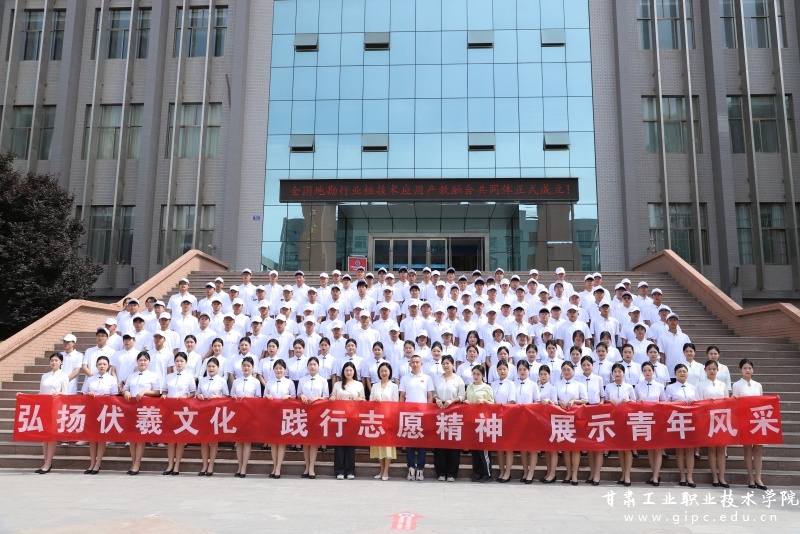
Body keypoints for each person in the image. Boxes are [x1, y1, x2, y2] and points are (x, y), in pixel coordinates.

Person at [122, 352, 162, 475]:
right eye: (140, 360)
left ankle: (137, 463)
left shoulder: (153, 376)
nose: (142, 362)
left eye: (145, 360)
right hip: (131, 409)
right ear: (137, 362)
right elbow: (125, 388)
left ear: (149, 362)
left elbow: (157, 392)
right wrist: (125, 392)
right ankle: (133, 462)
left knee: (140, 437)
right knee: (132, 437)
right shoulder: (131, 376)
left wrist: (144, 392)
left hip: (145, 409)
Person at [732, 358, 767, 490]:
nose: (748, 370)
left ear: (753, 370)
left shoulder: (758, 385)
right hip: (744, 419)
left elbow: (762, 402)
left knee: (758, 449)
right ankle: (751, 478)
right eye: (745, 368)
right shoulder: (736, 385)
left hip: (758, 419)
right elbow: (735, 403)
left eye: (750, 368)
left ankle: (758, 478)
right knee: (747, 449)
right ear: (740, 370)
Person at [399, 354, 434, 481]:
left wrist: (428, 412)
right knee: (409, 442)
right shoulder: (405, 378)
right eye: (413, 362)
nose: (415, 364)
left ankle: (420, 468)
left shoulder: (427, 378)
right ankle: (411, 467)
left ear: (421, 364)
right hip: (409, 414)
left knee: (422, 442)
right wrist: (401, 411)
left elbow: (430, 396)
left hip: (423, 414)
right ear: (409, 364)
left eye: (417, 362)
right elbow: (402, 396)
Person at [33, 353, 69, 473]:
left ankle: (48, 463)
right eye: (52, 360)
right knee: (45, 436)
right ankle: (45, 462)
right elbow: (41, 392)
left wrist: (58, 393)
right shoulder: (45, 376)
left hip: (56, 406)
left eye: (56, 360)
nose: (54, 362)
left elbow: (66, 394)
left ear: (61, 362)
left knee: (52, 435)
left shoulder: (63, 376)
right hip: (44, 406)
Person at [161, 352, 197, 476]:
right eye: (177, 361)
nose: (179, 363)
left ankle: (177, 465)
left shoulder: (189, 377)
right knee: (171, 438)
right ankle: (170, 464)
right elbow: (164, 391)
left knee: (180, 438)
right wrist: (164, 395)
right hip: (170, 410)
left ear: (186, 363)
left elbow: (193, 392)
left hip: (183, 410)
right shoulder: (168, 377)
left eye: (182, 361)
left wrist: (185, 397)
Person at [82, 355, 118, 474]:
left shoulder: (112, 379)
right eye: (100, 364)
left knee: (101, 437)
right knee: (92, 438)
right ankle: (92, 463)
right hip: (92, 410)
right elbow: (84, 393)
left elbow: (114, 396)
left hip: (104, 410)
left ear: (108, 366)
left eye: (104, 364)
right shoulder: (91, 379)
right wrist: (89, 394)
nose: (102, 366)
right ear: (96, 366)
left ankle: (98, 464)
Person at [329, 361, 365, 479]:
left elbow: (363, 399)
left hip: (353, 418)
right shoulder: (337, 384)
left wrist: (360, 400)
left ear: (354, 372)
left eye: (350, 370)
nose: (348, 372)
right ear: (343, 372)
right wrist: (332, 398)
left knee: (350, 445)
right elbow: (332, 397)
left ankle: (350, 471)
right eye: (346, 370)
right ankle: (339, 471)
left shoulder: (359, 384)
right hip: (339, 418)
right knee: (339, 445)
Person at [432, 355, 466, 482]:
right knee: (439, 442)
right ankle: (440, 472)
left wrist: (452, 400)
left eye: (448, 363)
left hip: (454, 413)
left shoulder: (458, 379)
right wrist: (437, 399)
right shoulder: (438, 379)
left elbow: (462, 396)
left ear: (452, 364)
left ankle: (452, 473)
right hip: (440, 413)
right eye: (443, 363)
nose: (445, 365)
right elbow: (434, 394)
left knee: (453, 442)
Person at [697, 359, 729, 487]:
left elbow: (727, 401)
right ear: (705, 370)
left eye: (714, 369)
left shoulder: (723, 385)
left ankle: (722, 477)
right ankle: (715, 477)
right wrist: (706, 403)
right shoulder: (700, 385)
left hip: (721, 419)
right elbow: (698, 403)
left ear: (717, 370)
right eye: (709, 369)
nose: (712, 371)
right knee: (711, 449)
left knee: (721, 449)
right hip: (708, 419)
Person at [196, 357, 229, 476]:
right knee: (203, 440)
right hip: (203, 412)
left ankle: (211, 465)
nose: (211, 368)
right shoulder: (202, 380)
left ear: (218, 368)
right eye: (209, 366)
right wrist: (199, 396)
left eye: (213, 366)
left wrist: (217, 397)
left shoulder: (222, 381)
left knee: (213, 440)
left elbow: (227, 396)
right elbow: (197, 393)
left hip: (216, 413)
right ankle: (204, 465)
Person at [665, 363, 697, 487]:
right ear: (675, 374)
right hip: (677, 420)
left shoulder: (693, 387)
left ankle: (690, 476)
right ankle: (682, 475)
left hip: (690, 421)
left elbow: (699, 403)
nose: (682, 373)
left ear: (687, 373)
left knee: (690, 449)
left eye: (684, 371)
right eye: (679, 371)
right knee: (679, 449)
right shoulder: (670, 388)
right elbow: (665, 404)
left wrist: (694, 402)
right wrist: (676, 403)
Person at [635, 361, 666, 486]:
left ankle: (656, 476)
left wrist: (658, 404)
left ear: (653, 371)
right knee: (649, 448)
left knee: (658, 448)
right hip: (644, 419)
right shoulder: (638, 386)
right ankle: (654, 474)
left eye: (649, 370)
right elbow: (634, 402)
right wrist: (638, 402)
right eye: (645, 370)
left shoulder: (659, 386)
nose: (647, 372)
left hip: (657, 419)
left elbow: (664, 402)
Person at [298, 356, 330, 478]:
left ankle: (312, 467)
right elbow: (298, 394)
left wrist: (317, 398)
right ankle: (306, 467)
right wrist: (301, 396)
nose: (312, 366)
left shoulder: (323, 380)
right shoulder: (302, 380)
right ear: (307, 366)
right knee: (305, 442)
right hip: (304, 413)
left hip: (317, 413)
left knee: (314, 441)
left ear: (318, 366)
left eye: (314, 364)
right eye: (310, 364)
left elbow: (326, 397)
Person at [556, 361, 588, 485]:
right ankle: (569, 472)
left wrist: (574, 401)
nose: (566, 372)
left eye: (568, 369)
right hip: (562, 418)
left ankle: (575, 474)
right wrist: (559, 401)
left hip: (576, 418)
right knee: (566, 447)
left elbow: (585, 400)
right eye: (564, 370)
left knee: (575, 447)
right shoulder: (557, 384)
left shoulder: (579, 384)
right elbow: (554, 398)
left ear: (573, 371)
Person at [604, 363, 636, 485]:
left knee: (627, 448)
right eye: (615, 371)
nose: (617, 374)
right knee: (620, 449)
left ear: (624, 373)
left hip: (626, 420)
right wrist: (608, 401)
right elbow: (604, 401)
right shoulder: (608, 387)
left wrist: (628, 401)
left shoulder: (629, 387)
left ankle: (628, 475)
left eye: (619, 371)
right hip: (614, 420)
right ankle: (623, 474)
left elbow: (635, 401)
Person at [264, 358, 296, 479]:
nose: (278, 370)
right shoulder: (269, 382)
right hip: (272, 414)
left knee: (281, 441)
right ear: (273, 370)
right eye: (276, 368)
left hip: (285, 414)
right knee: (273, 441)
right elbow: (264, 397)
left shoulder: (289, 382)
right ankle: (274, 466)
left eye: (281, 368)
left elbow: (294, 397)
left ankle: (278, 467)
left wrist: (288, 397)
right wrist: (267, 396)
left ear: (285, 370)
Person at [229, 356, 259, 477]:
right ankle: (239, 465)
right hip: (238, 413)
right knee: (239, 441)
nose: (246, 368)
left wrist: (249, 398)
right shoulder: (236, 381)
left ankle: (244, 467)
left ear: (252, 368)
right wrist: (234, 397)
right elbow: (231, 395)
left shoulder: (256, 382)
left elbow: (259, 399)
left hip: (249, 414)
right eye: (244, 365)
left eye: (248, 366)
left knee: (246, 441)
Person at [464, 365, 494, 483]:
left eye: (478, 374)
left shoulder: (487, 388)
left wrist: (484, 401)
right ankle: (477, 473)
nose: (476, 376)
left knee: (483, 449)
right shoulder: (469, 387)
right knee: (475, 449)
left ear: (483, 375)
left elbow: (493, 404)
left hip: (483, 421)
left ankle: (488, 474)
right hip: (471, 421)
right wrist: (466, 402)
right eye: (474, 374)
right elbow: (466, 400)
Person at [370, 362, 399, 481]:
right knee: (378, 445)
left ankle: (386, 471)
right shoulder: (375, 386)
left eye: (386, 371)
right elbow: (370, 401)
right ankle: (381, 470)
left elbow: (396, 404)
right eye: (381, 371)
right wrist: (374, 401)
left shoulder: (394, 386)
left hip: (388, 419)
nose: (384, 373)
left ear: (389, 372)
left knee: (387, 445)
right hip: (376, 419)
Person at [579, 354, 605, 485]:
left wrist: (601, 403)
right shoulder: (578, 379)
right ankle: (591, 472)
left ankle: (597, 474)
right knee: (589, 445)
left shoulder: (598, 379)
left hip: (596, 412)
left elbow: (602, 396)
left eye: (588, 365)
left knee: (598, 445)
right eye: (584, 365)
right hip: (584, 412)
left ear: (592, 366)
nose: (586, 367)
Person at [491, 360, 517, 483]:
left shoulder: (511, 384)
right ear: (497, 371)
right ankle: (501, 471)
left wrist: (502, 409)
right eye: (500, 369)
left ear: (508, 370)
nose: (502, 371)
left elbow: (511, 401)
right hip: (495, 418)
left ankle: (508, 472)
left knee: (508, 446)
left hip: (508, 417)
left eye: (504, 369)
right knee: (499, 447)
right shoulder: (493, 384)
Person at [515, 360, 540, 483]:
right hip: (517, 419)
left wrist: (527, 407)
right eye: (520, 369)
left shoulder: (533, 384)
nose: (522, 372)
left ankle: (531, 472)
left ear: (528, 370)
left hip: (531, 418)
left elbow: (537, 401)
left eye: (524, 369)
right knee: (523, 447)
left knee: (533, 447)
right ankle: (525, 471)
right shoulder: (513, 384)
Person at [537, 364, 559, 483]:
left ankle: (553, 473)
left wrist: (549, 401)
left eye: (545, 374)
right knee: (546, 448)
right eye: (541, 374)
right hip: (539, 420)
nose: (543, 376)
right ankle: (548, 472)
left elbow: (555, 405)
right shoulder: (536, 386)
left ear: (549, 375)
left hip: (550, 420)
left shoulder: (552, 388)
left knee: (553, 448)